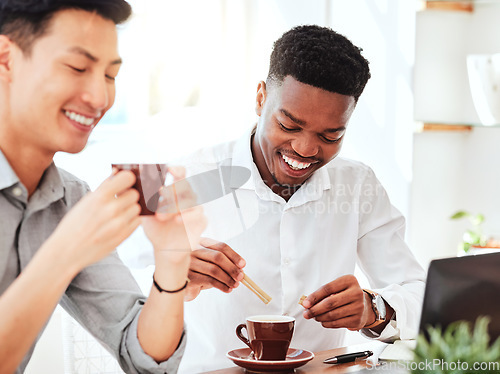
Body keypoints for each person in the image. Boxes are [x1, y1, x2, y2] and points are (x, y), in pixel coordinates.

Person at [172, 25, 427, 373]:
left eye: (330, 135)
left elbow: (419, 293)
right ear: (261, 98)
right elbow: (128, 294)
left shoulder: (356, 185)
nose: (305, 149)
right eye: (289, 126)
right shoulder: (192, 177)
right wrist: (172, 279)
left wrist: (375, 309)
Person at [0, 1, 205, 373]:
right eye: (77, 68)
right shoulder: (74, 223)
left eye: (110, 76)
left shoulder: (70, 201)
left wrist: (172, 259)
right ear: (6, 58)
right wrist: (65, 252)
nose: (100, 99)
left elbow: (145, 356)